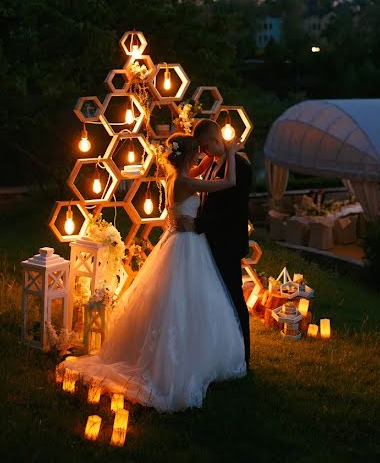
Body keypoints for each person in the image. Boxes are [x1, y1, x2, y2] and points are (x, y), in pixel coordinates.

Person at [62, 134, 247, 412]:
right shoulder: (185, 181)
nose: (200, 155)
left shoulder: (175, 177)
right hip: (187, 244)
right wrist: (230, 152)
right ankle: (180, 362)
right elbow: (228, 182)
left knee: (178, 298)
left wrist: (210, 152)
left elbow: (197, 169)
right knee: (184, 300)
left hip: (179, 240)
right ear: (186, 156)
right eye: (196, 152)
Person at [194, 119, 254, 367]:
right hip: (213, 241)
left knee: (234, 296)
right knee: (220, 297)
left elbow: (234, 210)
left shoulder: (240, 165)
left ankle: (243, 353)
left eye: (205, 145)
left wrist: (200, 225)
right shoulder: (212, 164)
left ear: (216, 140)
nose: (202, 152)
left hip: (227, 242)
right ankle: (224, 349)